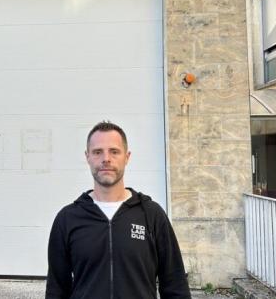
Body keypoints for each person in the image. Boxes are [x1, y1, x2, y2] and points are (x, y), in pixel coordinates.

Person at [45, 121, 191, 299]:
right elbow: (56, 289)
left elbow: (175, 285)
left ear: (127, 157)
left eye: (114, 151)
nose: (106, 158)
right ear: (87, 157)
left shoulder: (152, 215)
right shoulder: (68, 219)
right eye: (98, 152)